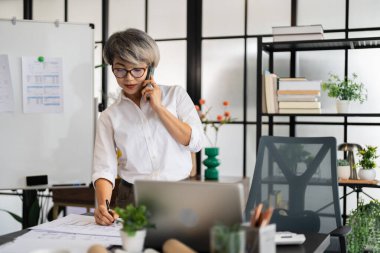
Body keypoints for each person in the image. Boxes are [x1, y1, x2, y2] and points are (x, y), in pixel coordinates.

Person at [92, 28, 204, 225]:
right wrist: (103, 205)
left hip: (179, 192)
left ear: (150, 69)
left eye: (137, 69)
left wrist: (158, 108)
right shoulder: (110, 116)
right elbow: (104, 168)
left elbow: (194, 142)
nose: (128, 78)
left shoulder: (176, 96)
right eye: (120, 69)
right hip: (133, 197)